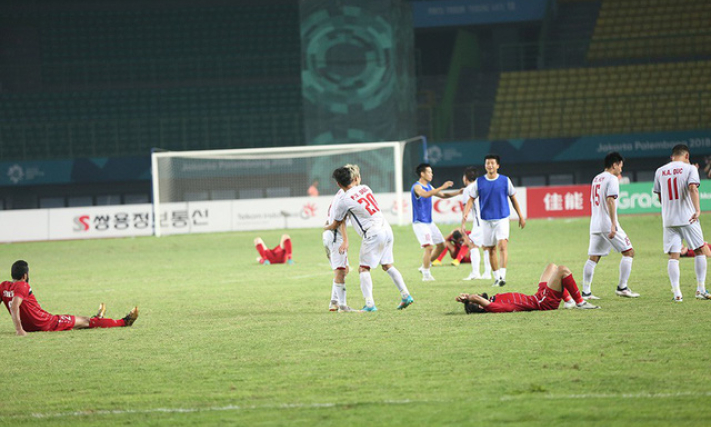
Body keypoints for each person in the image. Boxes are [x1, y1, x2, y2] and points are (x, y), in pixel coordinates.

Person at [325, 166, 413, 311]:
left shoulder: (343, 200)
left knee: (363, 269)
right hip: (387, 229)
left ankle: (370, 304)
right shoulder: (366, 188)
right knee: (387, 265)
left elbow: (336, 223)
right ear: (355, 178)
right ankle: (405, 295)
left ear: (338, 184)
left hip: (373, 233)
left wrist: (326, 227)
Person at [1, 260, 139, 336]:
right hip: (46, 322)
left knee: (82, 322)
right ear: (25, 275)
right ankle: (123, 322)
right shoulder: (23, 286)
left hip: (34, 325)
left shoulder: (3, 286)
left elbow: (11, 304)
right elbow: (14, 305)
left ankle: (98, 319)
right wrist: (19, 330)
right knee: (86, 322)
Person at [653, 144, 711, 302]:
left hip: (669, 219)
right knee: (699, 250)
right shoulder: (690, 168)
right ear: (686, 156)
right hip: (688, 217)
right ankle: (700, 289)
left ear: (672, 156)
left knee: (674, 255)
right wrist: (697, 210)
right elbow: (693, 188)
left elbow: (659, 196)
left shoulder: (660, 171)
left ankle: (677, 293)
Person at [581, 152, 640, 300]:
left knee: (593, 257)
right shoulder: (612, 179)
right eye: (620, 165)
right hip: (607, 222)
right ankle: (622, 287)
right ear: (614, 164)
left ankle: (586, 292)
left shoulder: (596, 178)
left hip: (595, 222)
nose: (621, 169)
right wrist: (613, 224)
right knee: (629, 252)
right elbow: (610, 200)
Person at [461, 154, 526, 287]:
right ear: (485, 165)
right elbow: (471, 199)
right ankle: (497, 278)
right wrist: (465, 215)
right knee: (490, 249)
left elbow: (513, 198)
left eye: (492, 163)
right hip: (486, 221)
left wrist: (520, 215)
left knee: (502, 246)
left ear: (497, 165)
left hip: (502, 218)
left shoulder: (505, 180)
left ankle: (503, 276)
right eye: (487, 163)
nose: (489, 165)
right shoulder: (479, 182)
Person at [455, 263, 600, 313]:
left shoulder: (492, 300)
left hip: (537, 296)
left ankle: (569, 301)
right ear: (480, 306)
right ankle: (580, 302)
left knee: (552, 267)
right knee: (562, 270)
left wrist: (465, 299)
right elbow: (476, 298)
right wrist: (469, 299)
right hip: (543, 302)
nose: (478, 296)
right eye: (477, 301)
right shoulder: (493, 307)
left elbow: (476, 298)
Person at [411, 163, 457, 281]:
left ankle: (424, 266)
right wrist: (442, 186)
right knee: (429, 247)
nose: (431, 174)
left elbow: (443, 195)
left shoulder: (430, 186)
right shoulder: (417, 187)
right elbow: (425, 195)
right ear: (422, 174)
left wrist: (459, 192)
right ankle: (426, 275)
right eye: (429, 172)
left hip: (429, 223)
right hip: (420, 223)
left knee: (441, 245)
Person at [323, 164, 358, 312]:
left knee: (344, 270)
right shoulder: (345, 197)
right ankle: (340, 305)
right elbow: (341, 221)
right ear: (354, 179)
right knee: (340, 271)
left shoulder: (340, 193)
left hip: (329, 236)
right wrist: (345, 240)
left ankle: (335, 301)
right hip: (335, 237)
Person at [459, 166, 492, 281]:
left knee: (473, 244)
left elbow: (466, 208)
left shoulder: (468, 189)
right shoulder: (482, 186)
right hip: (488, 220)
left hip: (479, 222)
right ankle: (487, 273)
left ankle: (475, 273)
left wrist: (463, 224)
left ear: (465, 178)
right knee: (486, 246)